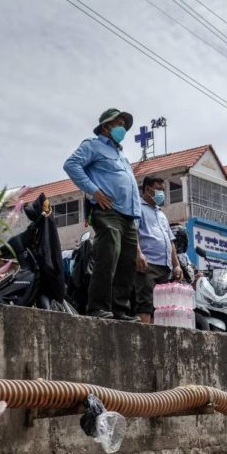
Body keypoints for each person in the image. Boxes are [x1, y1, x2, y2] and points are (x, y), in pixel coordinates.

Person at [63, 108, 141, 321]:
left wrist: (136, 215)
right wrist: (94, 191)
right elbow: (71, 165)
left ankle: (120, 310)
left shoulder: (122, 154)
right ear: (106, 126)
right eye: (118, 124)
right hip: (108, 211)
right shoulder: (93, 145)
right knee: (108, 256)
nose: (122, 128)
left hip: (128, 215)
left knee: (126, 262)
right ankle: (98, 307)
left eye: (124, 124)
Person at [133, 176, 182, 324]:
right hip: (148, 264)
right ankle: (145, 340)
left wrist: (176, 265)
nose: (162, 193)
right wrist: (138, 254)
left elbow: (170, 241)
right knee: (145, 304)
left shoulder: (161, 214)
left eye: (163, 190)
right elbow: (133, 232)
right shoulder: (138, 208)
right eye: (159, 190)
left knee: (162, 308)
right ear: (148, 189)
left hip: (165, 267)